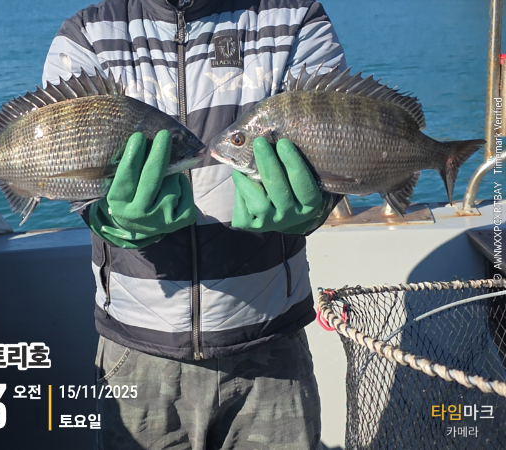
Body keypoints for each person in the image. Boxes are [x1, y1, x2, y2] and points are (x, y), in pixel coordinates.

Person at [43, 1, 345, 448]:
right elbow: (62, 165)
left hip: (272, 348)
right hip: (136, 352)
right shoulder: (85, 34)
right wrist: (109, 219)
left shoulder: (296, 17)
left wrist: (316, 205)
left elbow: (339, 143)